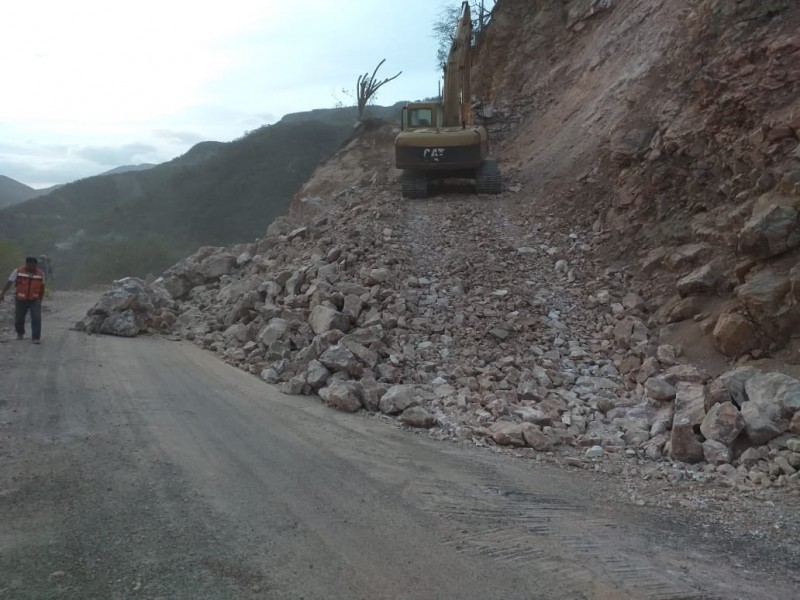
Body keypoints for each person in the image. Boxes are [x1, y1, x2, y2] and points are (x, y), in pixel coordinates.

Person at [0, 256, 46, 344]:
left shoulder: (40, 273)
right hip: (21, 298)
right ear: (27, 264)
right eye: (31, 265)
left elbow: (42, 287)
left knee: (36, 317)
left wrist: (40, 299)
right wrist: (3, 293)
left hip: (34, 299)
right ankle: (20, 333)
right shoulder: (17, 271)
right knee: (19, 318)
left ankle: (35, 337)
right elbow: (9, 282)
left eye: (34, 265)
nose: (33, 267)